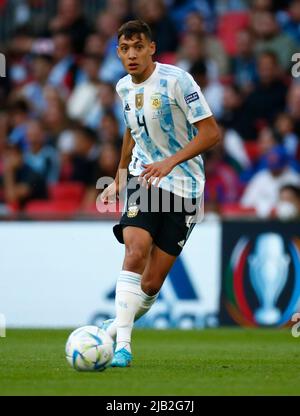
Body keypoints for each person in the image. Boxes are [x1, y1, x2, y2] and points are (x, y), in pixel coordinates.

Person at [100, 20, 220, 367]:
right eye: (125, 48)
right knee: (135, 251)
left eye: (138, 47)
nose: (132, 54)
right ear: (119, 53)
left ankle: (113, 329)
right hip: (145, 179)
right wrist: (121, 177)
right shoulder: (123, 88)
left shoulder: (177, 81)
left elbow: (211, 134)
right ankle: (123, 346)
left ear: (152, 48)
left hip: (185, 187)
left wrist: (171, 162)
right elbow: (131, 130)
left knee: (151, 285)